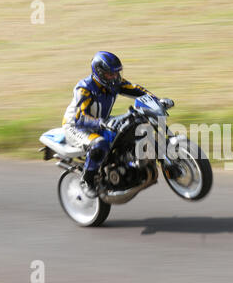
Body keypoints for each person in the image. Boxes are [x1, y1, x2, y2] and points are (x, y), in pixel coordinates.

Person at [62, 51, 172, 198]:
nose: (114, 77)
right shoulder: (84, 89)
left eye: (116, 73)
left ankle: (127, 166)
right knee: (99, 144)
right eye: (110, 74)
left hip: (101, 121)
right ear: (99, 72)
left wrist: (157, 101)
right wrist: (102, 122)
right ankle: (87, 181)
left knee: (133, 125)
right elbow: (80, 117)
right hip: (77, 125)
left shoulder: (114, 83)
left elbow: (137, 90)